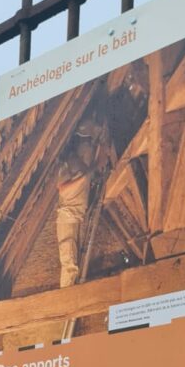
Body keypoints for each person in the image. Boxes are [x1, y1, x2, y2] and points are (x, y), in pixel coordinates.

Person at [55, 119, 109, 288]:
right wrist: (84, 178)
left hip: (77, 217)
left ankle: (72, 293)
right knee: (69, 263)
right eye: (87, 145)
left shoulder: (85, 166)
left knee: (75, 261)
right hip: (67, 218)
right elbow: (62, 188)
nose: (89, 150)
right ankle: (67, 299)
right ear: (80, 144)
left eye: (91, 145)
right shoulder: (68, 163)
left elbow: (99, 163)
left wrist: (103, 142)